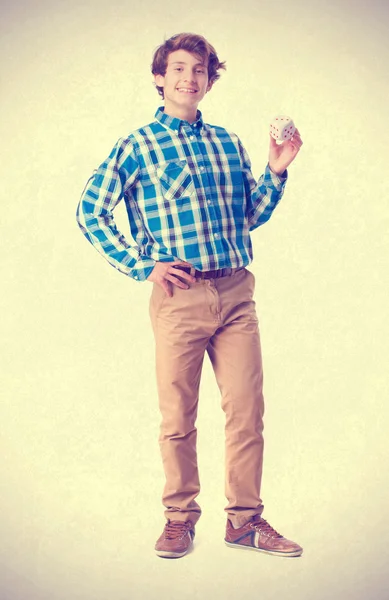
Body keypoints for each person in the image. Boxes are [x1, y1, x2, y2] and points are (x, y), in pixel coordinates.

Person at [76, 32, 303, 559]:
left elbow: (249, 216)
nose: (189, 78)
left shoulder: (227, 142)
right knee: (178, 418)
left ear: (208, 78)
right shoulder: (136, 146)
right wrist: (142, 265)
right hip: (179, 298)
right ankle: (179, 518)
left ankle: (245, 521)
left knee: (247, 412)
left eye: (199, 70)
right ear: (160, 77)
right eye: (178, 69)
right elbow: (91, 211)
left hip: (236, 292)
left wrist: (276, 170)